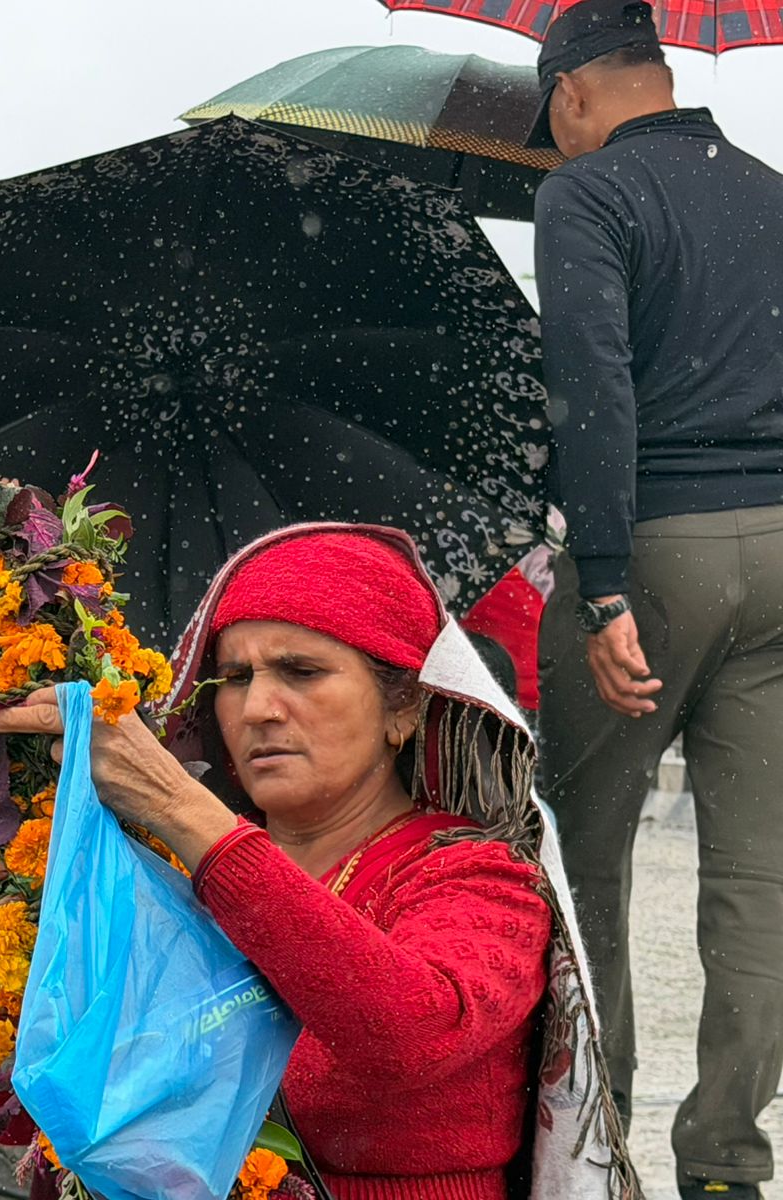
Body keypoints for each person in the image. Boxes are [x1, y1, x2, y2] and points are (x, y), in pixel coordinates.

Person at [0, 526, 634, 1199]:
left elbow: (411, 1031)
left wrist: (177, 804)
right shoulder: (173, 873)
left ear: (403, 704)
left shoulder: (478, 874)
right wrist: (26, 953)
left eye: (301, 672)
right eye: (234, 677)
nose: (257, 708)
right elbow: (24, 1115)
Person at [526, 4, 783, 1195]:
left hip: (657, 550)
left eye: (549, 114)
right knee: (758, 868)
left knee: (584, 851)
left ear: (574, 90)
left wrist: (605, 584)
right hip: (779, 553)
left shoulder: (587, 199)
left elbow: (593, 388)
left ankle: (599, 1124)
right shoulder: (775, 194)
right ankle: (727, 1156)